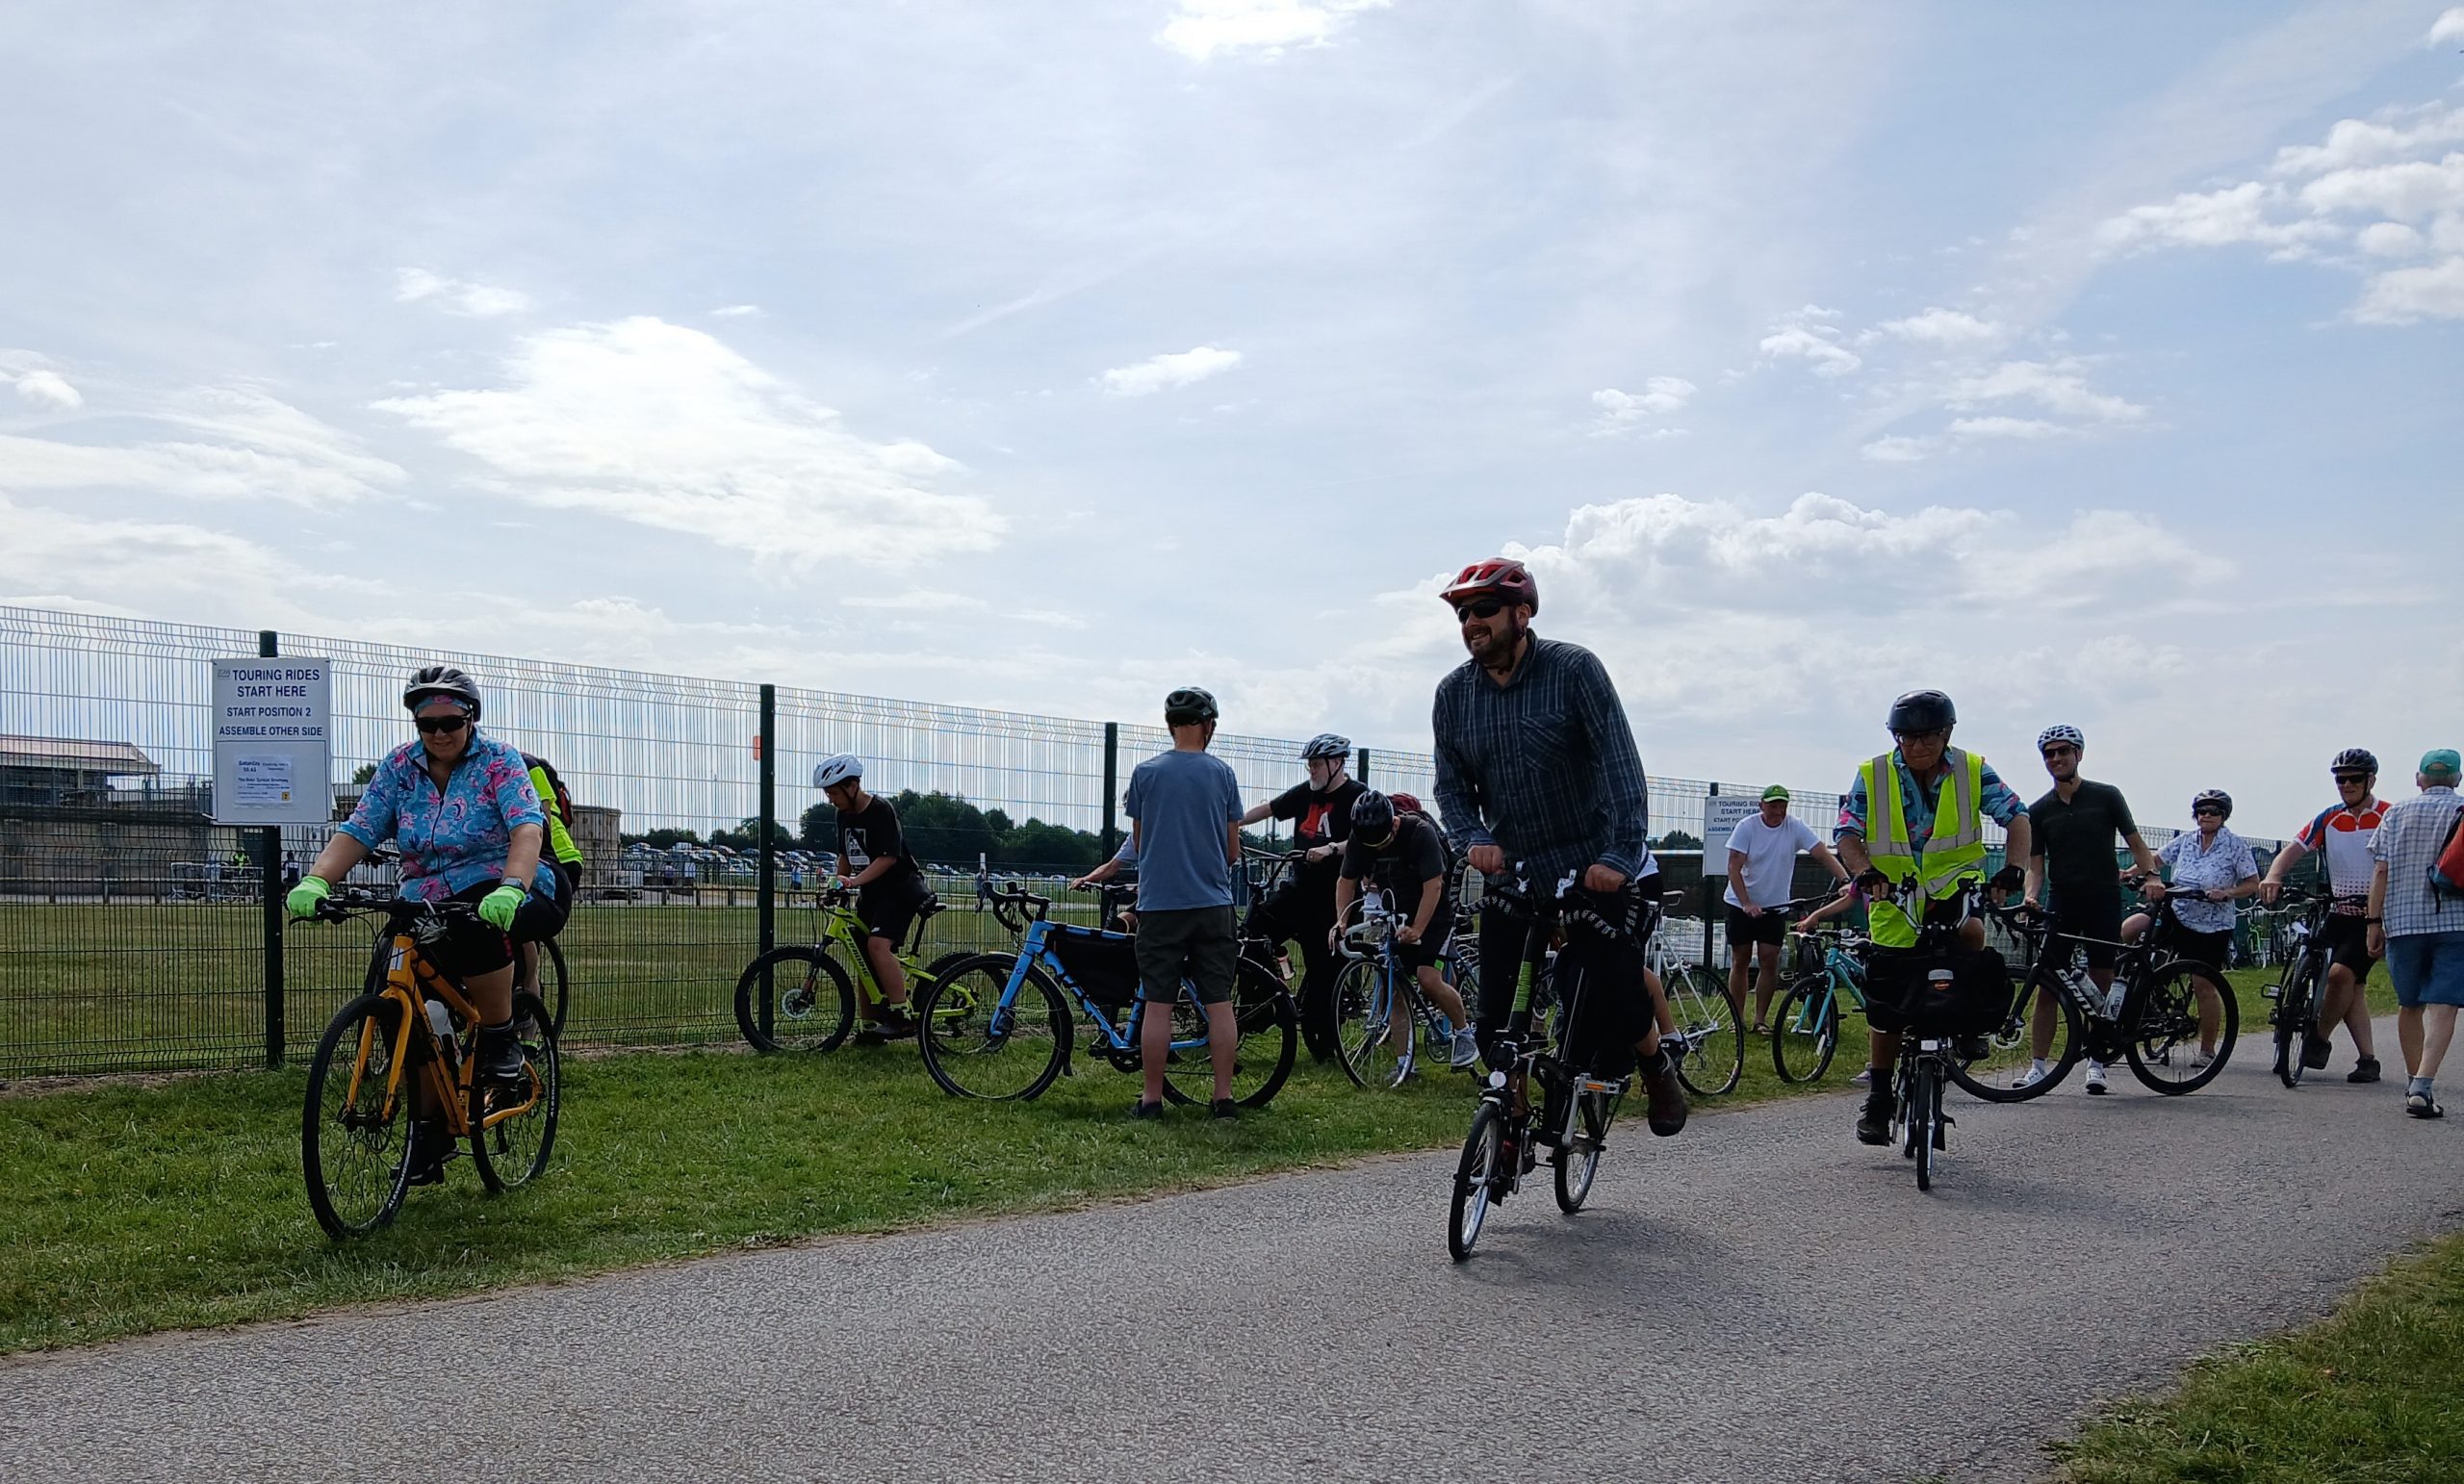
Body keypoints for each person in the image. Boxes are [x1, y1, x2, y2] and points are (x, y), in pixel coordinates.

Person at [1428, 556, 1686, 1137]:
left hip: (1589, 864)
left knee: (1613, 993)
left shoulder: (1574, 670)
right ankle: (1510, 1120)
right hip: (1514, 870)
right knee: (1496, 1018)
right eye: (1463, 614)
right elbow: (1451, 789)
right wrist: (1474, 839)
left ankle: (1655, 1064)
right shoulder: (1453, 695)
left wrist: (1618, 856)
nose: (1471, 623)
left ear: (1522, 614)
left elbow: (1620, 767)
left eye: (1484, 610)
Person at [285, 665, 551, 1184]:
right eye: (427, 724)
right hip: (421, 892)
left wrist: (511, 886)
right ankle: (428, 1133)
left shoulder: (499, 761)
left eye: (451, 721)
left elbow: (526, 828)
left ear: (471, 718)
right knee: (398, 998)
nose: (439, 733)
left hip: (491, 878)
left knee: (477, 930)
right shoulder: (399, 766)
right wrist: (316, 880)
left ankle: (500, 1035)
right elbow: (360, 829)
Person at [1835, 689, 2033, 1143]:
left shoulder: (1972, 769)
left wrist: (2014, 868)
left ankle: (1967, 1026)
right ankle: (1879, 1097)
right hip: (1894, 895)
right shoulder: (1874, 774)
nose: (1916, 746)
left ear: (1946, 734)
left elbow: (2017, 817)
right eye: (1906, 737)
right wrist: (1864, 872)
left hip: (1953, 887)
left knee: (1972, 933)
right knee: (1887, 1000)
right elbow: (1847, 830)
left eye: (1927, 736)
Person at [1123, 686, 1246, 1119]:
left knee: (1158, 1003)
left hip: (1159, 905)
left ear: (1170, 725)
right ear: (1208, 725)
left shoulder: (1145, 774)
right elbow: (1232, 851)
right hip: (1212, 903)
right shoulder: (1223, 775)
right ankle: (1223, 1098)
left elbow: (1140, 843)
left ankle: (1151, 1100)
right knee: (1218, 1003)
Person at [2020, 725, 2160, 1094]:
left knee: (2101, 981)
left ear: (2078, 754)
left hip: (2103, 898)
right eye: (2049, 754)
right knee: (2048, 985)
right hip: (2062, 901)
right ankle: (2038, 1067)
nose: (2056, 759)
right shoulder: (2039, 810)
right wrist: (2031, 896)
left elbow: (2136, 842)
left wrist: (2151, 875)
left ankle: (2097, 1063)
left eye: (2063, 751)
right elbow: (2036, 867)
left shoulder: (2106, 796)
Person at [1330, 789, 1481, 1081]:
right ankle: (1405, 1065)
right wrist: (1341, 921)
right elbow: (1345, 881)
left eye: (1383, 842)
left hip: (1434, 915)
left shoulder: (1420, 833)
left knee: (1428, 978)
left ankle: (1464, 1034)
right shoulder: (1359, 839)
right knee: (1395, 991)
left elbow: (1434, 886)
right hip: (1396, 913)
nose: (1378, 848)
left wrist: (1418, 929)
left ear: (1394, 824)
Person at [2259, 749, 2390, 1083]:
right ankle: (2368, 1060)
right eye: (2340, 779)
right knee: (2350, 986)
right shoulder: (2329, 817)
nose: (2346, 785)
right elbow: (2294, 848)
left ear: (2371, 780)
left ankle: (2318, 1037)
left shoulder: (2389, 816)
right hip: (2337, 910)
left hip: (2372, 917)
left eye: (2354, 779)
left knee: (2339, 976)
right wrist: (2274, 875)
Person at [1237, 733, 1366, 1062]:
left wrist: (1331, 848)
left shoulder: (1358, 797)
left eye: (1317, 764)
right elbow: (1269, 808)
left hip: (1334, 897)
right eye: (1310, 765)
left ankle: (1325, 1037)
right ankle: (1263, 1003)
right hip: (1299, 890)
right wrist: (1232, 823)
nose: (1312, 770)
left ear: (1337, 763)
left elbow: (1366, 837)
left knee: (1324, 968)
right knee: (1253, 932)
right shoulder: (1305, 793)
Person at [2365, 750, 2464, 1118]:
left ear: (2419, 779)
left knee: (2410, 1004)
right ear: (2457, 779)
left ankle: (2412, 1080)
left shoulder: (2395, 813)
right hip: (2456, 922)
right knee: (2444, 1005)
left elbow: (2380, 871)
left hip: (2403, 923)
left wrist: (2373, 923)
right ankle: (2423, 1084)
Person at [813, 754, 926, 1043]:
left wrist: (853, 881)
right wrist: (837, 884)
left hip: (899, 889)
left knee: (877, 946)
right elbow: (845, 854)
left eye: (834, 793)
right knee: (861, 954)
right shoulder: (843, 815)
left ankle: (901, 1014)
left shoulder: (881, 810)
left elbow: (888, 858)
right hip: (871, 892)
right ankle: (870, 1027)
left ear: (852, 786)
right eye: (828, 794)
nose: (830, 800)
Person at [1722, 784, 1849, 1035]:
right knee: (1741, 959)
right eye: (1773, 806)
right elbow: (1733, 868)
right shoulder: (1746, 827)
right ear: (1761, 805)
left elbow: (1822, 854)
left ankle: (1760, 1020)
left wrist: (1845, 881)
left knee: (1769, 959)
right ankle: (1737, 1019)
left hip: (1775, 905)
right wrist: (1746, 903)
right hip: (1740, 904)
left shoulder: (1794, 826)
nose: (1778, 811)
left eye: (1783, 806)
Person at [2125, 790, 2260, 969]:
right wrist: (2129, 873)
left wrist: (2227, 893)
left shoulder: (2236, 845)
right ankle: (2146, 974)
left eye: (2213, 811)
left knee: (2202, 981)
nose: (2206, 815)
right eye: (2201, 811)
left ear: (2223, 816)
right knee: (2131, 927)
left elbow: (2252, 883)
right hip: (2178, 910)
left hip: (2212, 924)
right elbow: (2156, 860)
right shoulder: (2186, 840)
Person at [507, 750, 585, 1013]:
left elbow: (543, 820)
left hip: (557, 859)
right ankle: (521, 993)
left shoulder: (528, 766)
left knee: (524, 934)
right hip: (533, 857)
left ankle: (527, 1004)